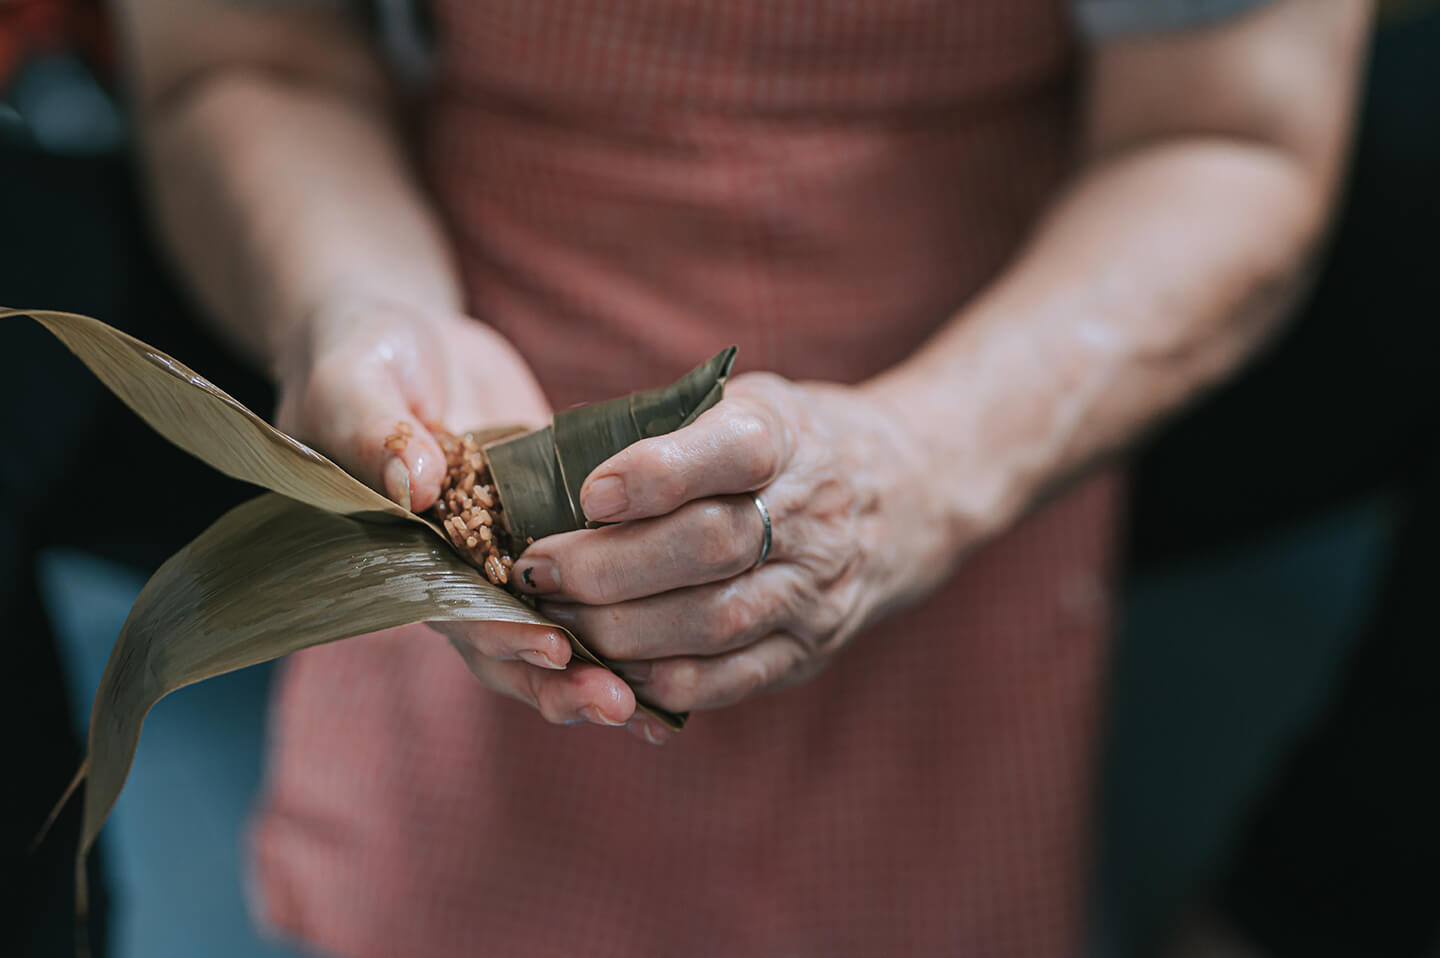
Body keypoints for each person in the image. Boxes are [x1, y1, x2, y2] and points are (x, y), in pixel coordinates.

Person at [114, 0, 1369, 953]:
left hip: (981, 397)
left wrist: (920, 469)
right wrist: (364, 312)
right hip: (475, 363)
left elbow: (1227, 129)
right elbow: (246, 57)